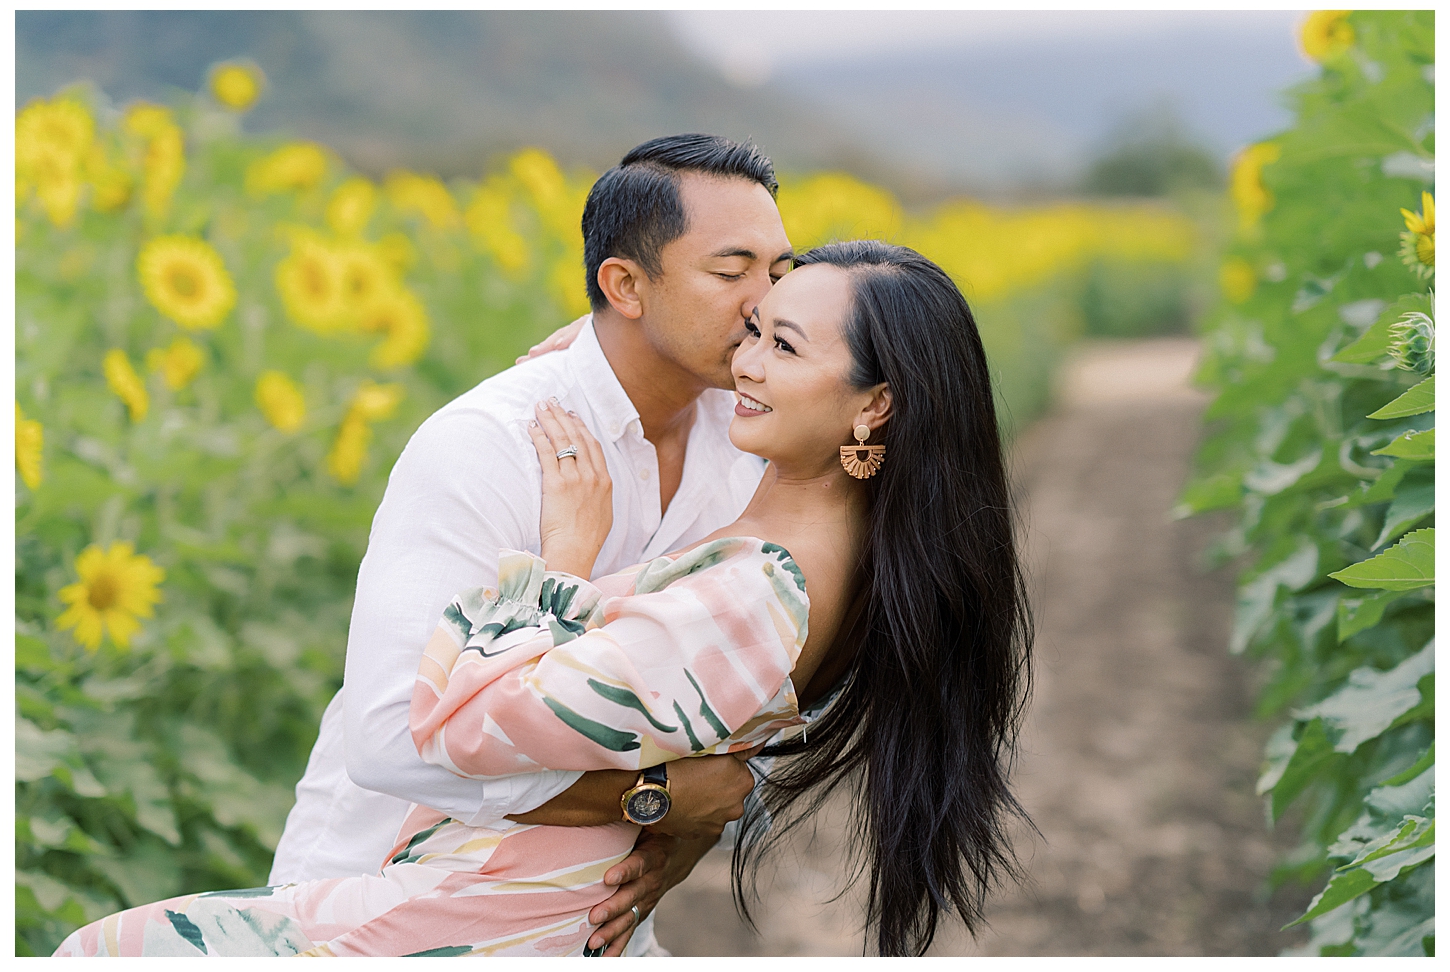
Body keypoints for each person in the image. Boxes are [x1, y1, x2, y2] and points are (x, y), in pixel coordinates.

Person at [56, 240, 1035, 957]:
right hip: (535, 909)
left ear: (875, 402)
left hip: (469, 922)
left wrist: (562, 558)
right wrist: (612, 353)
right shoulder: (835, 542)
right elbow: (705, 757)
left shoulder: (753, 596)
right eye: (748, 330)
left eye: (780, 346)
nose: (743, 363)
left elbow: (456, 721)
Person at [268, 133, 796, 957]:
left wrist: (695, 822)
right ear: (624, 284)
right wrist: (653, 796)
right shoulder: (490, 443)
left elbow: (785, 680)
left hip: (588, 913)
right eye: (732, 274)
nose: (766, 302)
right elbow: (388, 739)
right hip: (388, 900)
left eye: (780, 272)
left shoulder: (751, 443)